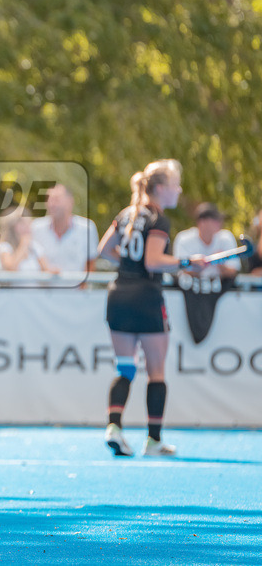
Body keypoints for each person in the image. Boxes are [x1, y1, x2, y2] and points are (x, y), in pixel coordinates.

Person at [96, 159, 206, 457]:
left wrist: (130, 264)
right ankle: (153, 440)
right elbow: (154, 262)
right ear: (159, 189)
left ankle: (114, 427)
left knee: (126, 367)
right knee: (156, 371)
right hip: (145, 297)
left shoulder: (126, 213)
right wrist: (186, 262)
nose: (179, 190)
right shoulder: (158, 219)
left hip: (118, 295)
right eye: (175, 185)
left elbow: (104, 250)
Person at [31, 184, 98, 276]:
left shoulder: (87, 228)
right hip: (43, 289)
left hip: (75, 289)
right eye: (49, 200)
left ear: (70, 202)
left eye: (56, 199)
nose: (51, 204)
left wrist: (83, 286)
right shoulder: (36, 228)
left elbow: (91, 262)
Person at [173, 203, 240, 284]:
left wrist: (220, 264)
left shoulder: (226, 237)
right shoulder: (184, 238)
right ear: (202, 222)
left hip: (220, 289)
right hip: (190, 289)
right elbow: (181, 270)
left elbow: (233, 271)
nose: (219, 223)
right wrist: (202, 264)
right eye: (215, 220)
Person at [0, 207, 51, 272]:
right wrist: (23, 246)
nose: (29, 227)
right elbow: (10, 268)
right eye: (24, 224)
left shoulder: (34, 246)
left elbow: (47, 270)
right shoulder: (5, 247)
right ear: (15, 226)